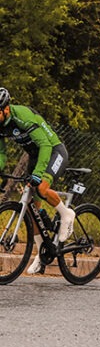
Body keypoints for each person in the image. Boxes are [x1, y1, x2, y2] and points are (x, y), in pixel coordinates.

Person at [0, 88, 76, 273]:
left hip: (54, 151)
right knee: (34, 208)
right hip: (35, 156)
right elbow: (1, 153)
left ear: (6, 109)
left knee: (41, 187)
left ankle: (67, 214)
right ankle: (42, 254)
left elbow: (44, 144)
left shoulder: (23, 116)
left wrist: (38, 173)